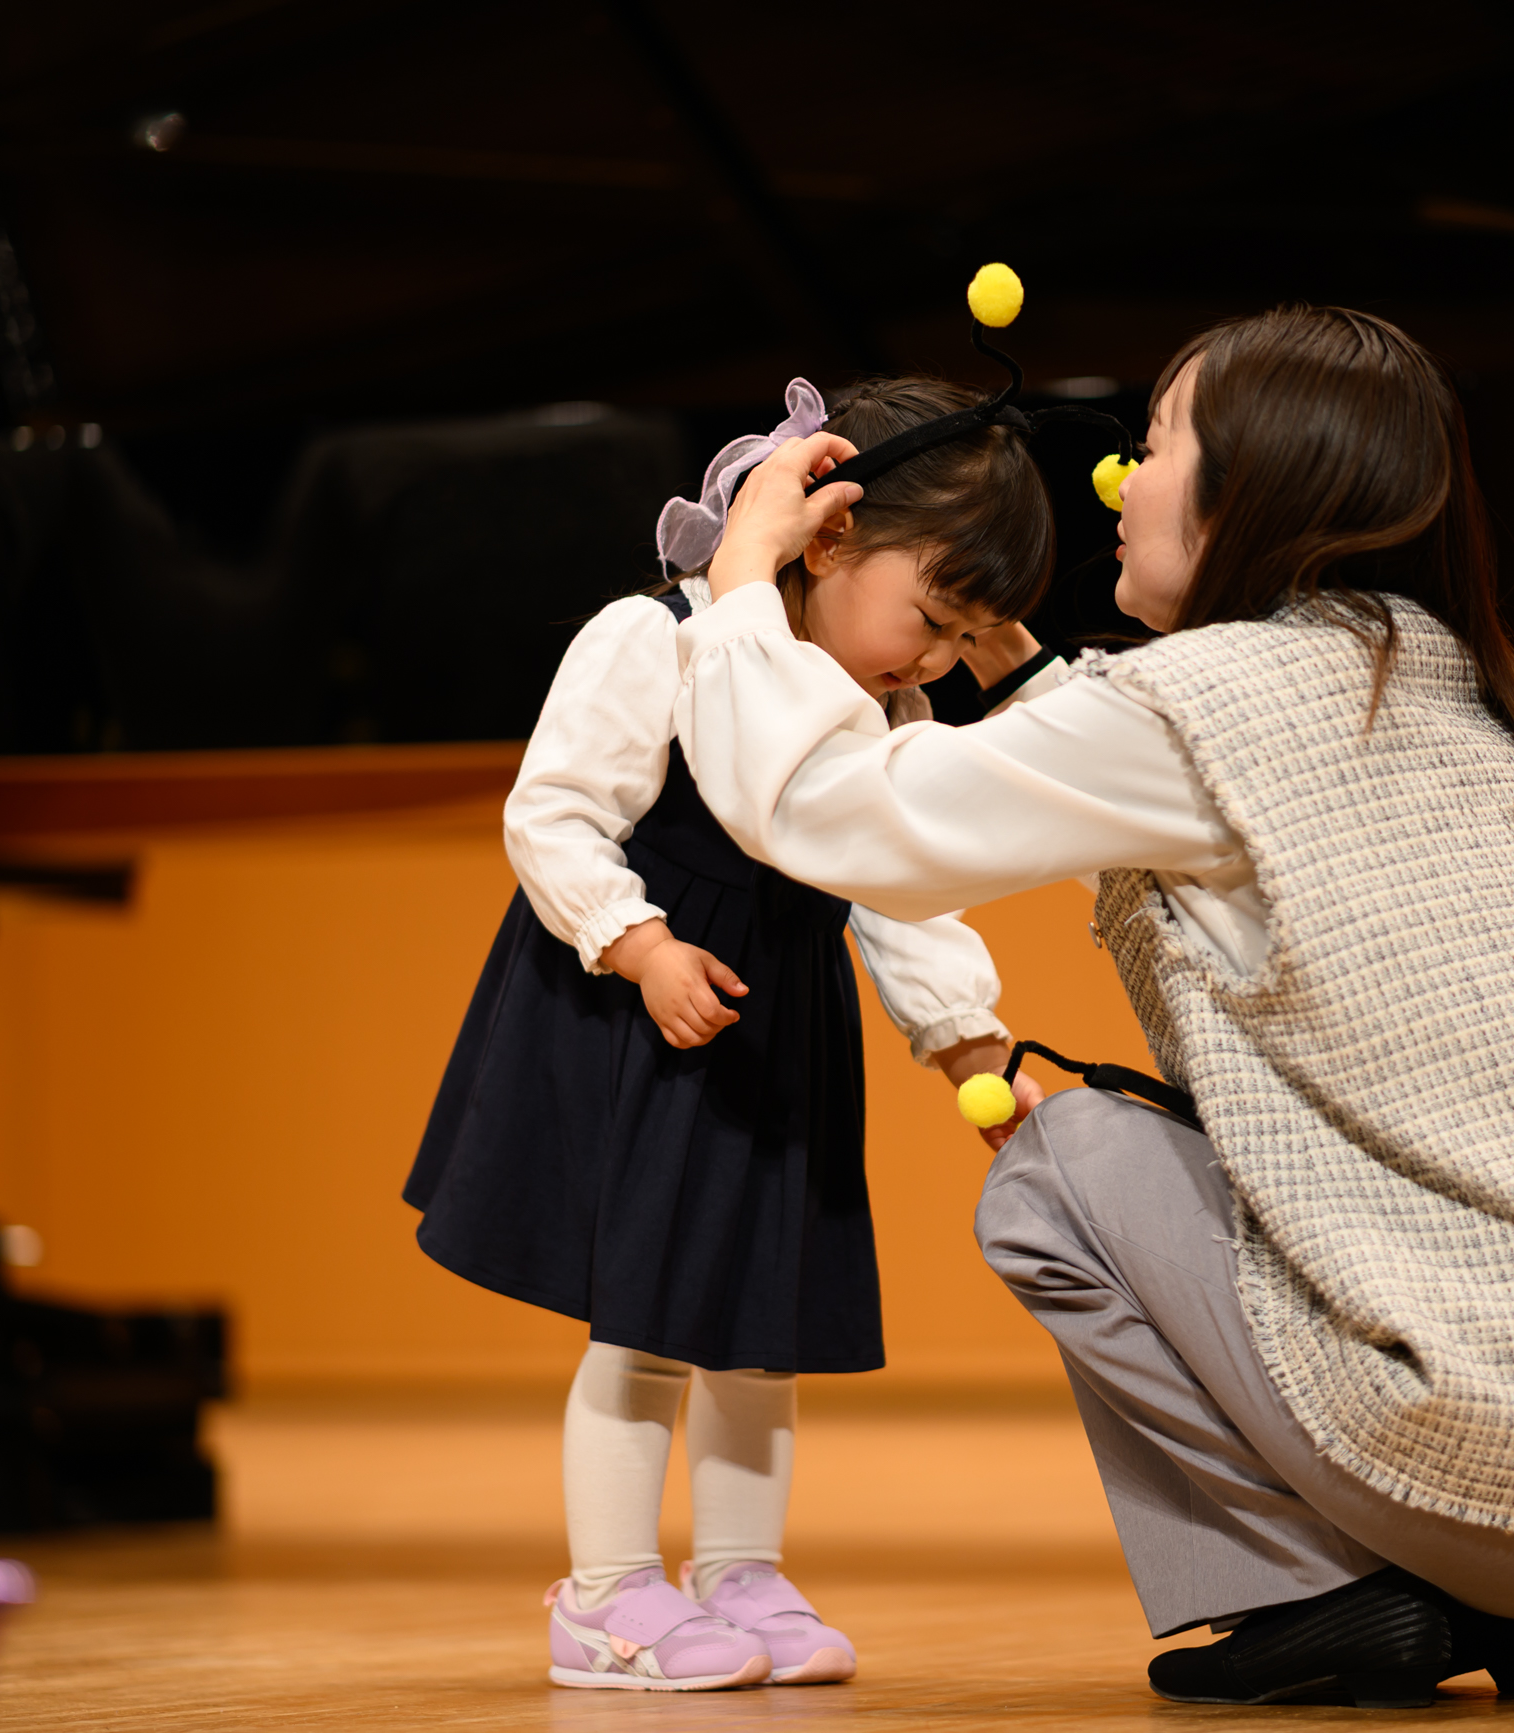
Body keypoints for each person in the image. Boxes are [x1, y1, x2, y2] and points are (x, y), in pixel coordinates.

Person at [669, 306, 1514, 1708]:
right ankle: (1472, 1590)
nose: (1125, 483)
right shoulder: (1438, 674)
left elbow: (840, 822)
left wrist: (739, 590)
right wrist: (1014, 664)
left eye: (1156, 446)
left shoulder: (1195, 702)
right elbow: (1150, 763)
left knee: (1057, 1170)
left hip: (1504, 1466)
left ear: (1259, 487)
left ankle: (1328, 1591)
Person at [403, 377, 1056, 1693]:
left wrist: (968, 1044)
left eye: (959, 641)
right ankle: (604, 1593)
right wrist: (638, 943)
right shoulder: (654, 641)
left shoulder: (882, 710)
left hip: (774, 1035)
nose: (930, 664)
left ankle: (741, 1571)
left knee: (760, 1322)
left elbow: (899, 888)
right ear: (827, 538)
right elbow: (554, 816)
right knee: (642, 1320)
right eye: (928, 620)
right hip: (650, 1016)